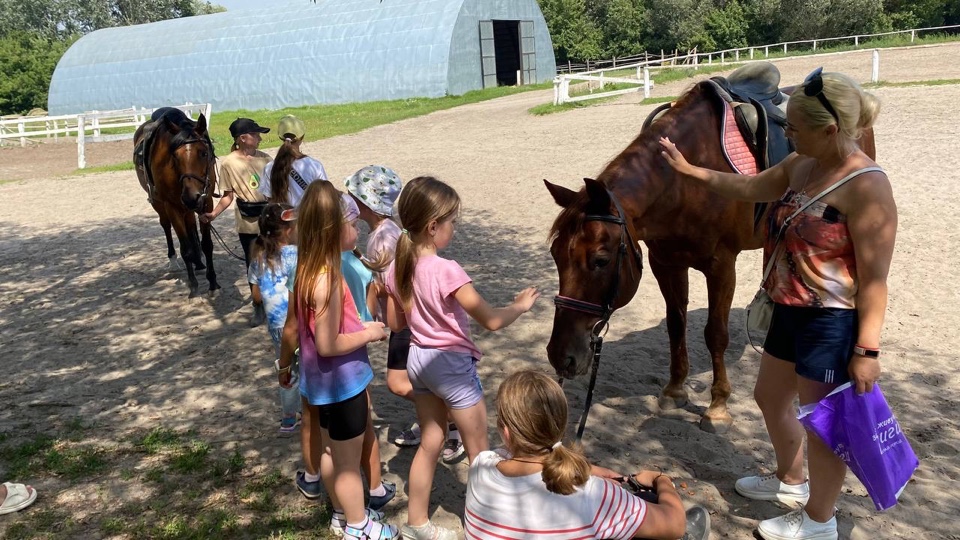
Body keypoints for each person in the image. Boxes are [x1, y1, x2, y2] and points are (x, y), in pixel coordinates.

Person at [659, 67, 896, 540]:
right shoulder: (800, 166)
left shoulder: (867, 186)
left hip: (832, 322)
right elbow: (748, 188)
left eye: (795, 128)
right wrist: (689, 172)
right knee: (769, 397)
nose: (787, 134)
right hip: (786, 307)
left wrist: (866, 351)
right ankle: (791, 480)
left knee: (822, 426)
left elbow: (874, 280)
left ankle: (819, 521)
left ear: (830, 130)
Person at [383, 176, 540, 540]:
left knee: (430, 442)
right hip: (451, 366)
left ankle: (417, 523)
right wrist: (520, 305)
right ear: (433, 226)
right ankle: (486, 526)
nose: (454, 227)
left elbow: (395, 323)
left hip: (418, 361)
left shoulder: (396, 267)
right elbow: (492, 320)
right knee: (479, 451)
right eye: (452, 221)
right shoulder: (446, 269)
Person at [275, 181, 399, 539]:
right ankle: (359, 527)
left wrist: (357, 323)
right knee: (347, 463)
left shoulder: (307, 270)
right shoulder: (328, 279)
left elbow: (315, 329)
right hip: (343, 384)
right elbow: (329, 343)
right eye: (353, 224)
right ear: (333, 229)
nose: (358, 230)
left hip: (321, 385)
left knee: (330, 452)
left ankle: (341, 514)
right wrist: (370, 333)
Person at [464, 370, 709, 540]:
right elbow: (674, 525)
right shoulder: (592, 494)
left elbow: (541, 458)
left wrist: (600, 474)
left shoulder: (481, 465)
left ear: (505, 432)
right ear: (561, 423)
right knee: (649, 502)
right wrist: (661, 480)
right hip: (629, 501)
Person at [201, 117, 272, 327]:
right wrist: (213, 214)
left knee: (274, 260)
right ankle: (258, 306)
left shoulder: (267, 159)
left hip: (268, 218)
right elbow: (227, 196)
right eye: (256, 134)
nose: (259, 138)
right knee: (253, 264)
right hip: (247, 221)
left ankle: (274, 301)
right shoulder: (229, 163)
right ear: (243, 138)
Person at [247, 203, 302, 434]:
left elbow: (256, 297)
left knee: (286, 366)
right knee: (307, 365)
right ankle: (311, 408)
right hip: (298, 322)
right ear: (289, 230)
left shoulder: (258, 259)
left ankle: (289, 418)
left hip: (276, 326)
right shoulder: (298, 255)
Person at [259, 114, 327, 206]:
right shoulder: (315, 166)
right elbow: (324, 195)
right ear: (302, 137)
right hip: (308, 217)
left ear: (280, 137)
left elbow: (269, 198)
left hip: (282, 218)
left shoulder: (269, 167)